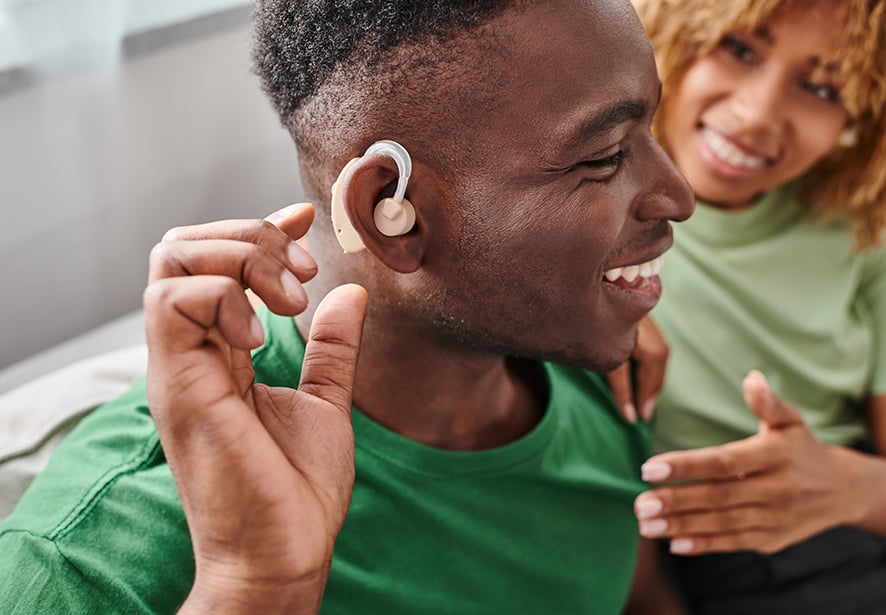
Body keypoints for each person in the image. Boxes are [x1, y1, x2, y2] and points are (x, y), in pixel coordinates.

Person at [0, 1, 696, 612]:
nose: (678, 195)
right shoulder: (87, 563)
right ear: (392, 212)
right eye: (604, 156)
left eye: (649, 130)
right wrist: (253, 587)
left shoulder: (597, 373)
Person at [609, 0, 886, 612]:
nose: (757, 115)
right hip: (659, 542)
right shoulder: (575, 189)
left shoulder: (862, 236)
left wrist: (847, 486)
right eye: (739, 49)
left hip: (836, 540)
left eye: (820, 86)